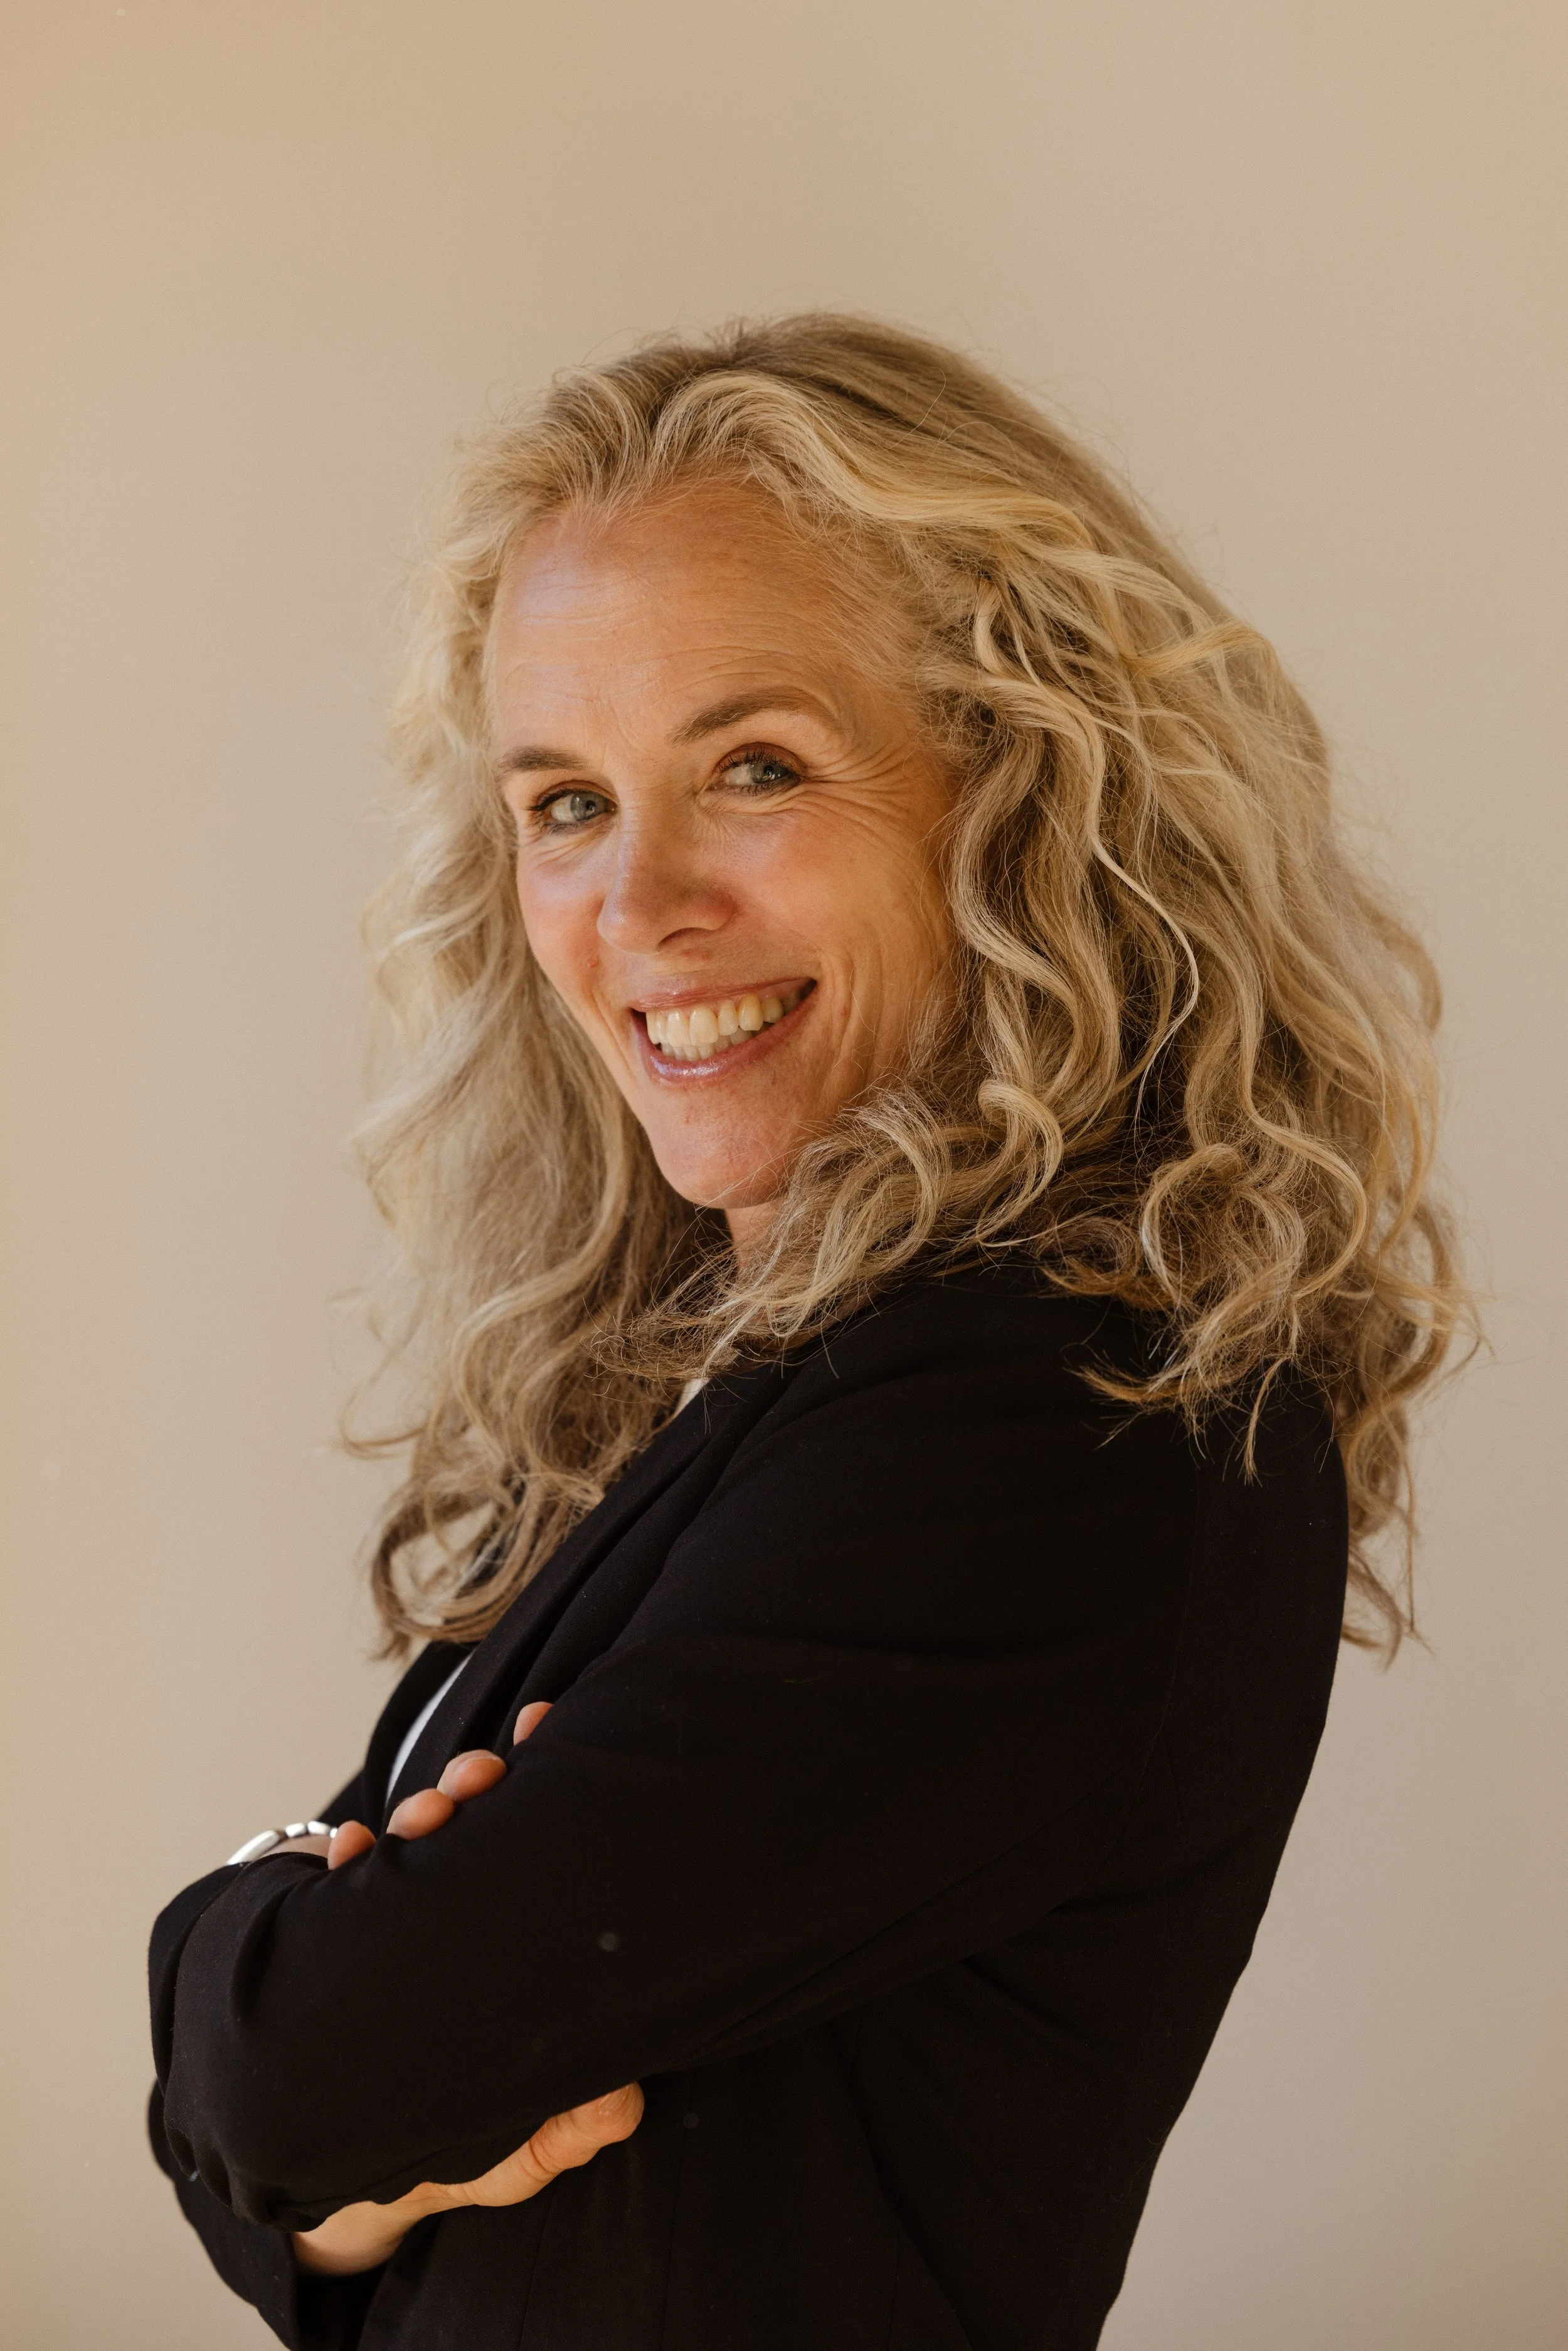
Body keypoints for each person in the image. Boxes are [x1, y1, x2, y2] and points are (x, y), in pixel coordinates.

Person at [147, 316, 1468, 2351]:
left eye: (752, 765)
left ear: (1023, 790)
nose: (638, 898)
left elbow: (299, 2067)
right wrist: (311, 2152)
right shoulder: (759, 1368)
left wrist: (246, 1962)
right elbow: (293, 2139)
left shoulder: (1061, 1400)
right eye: (565, 802)